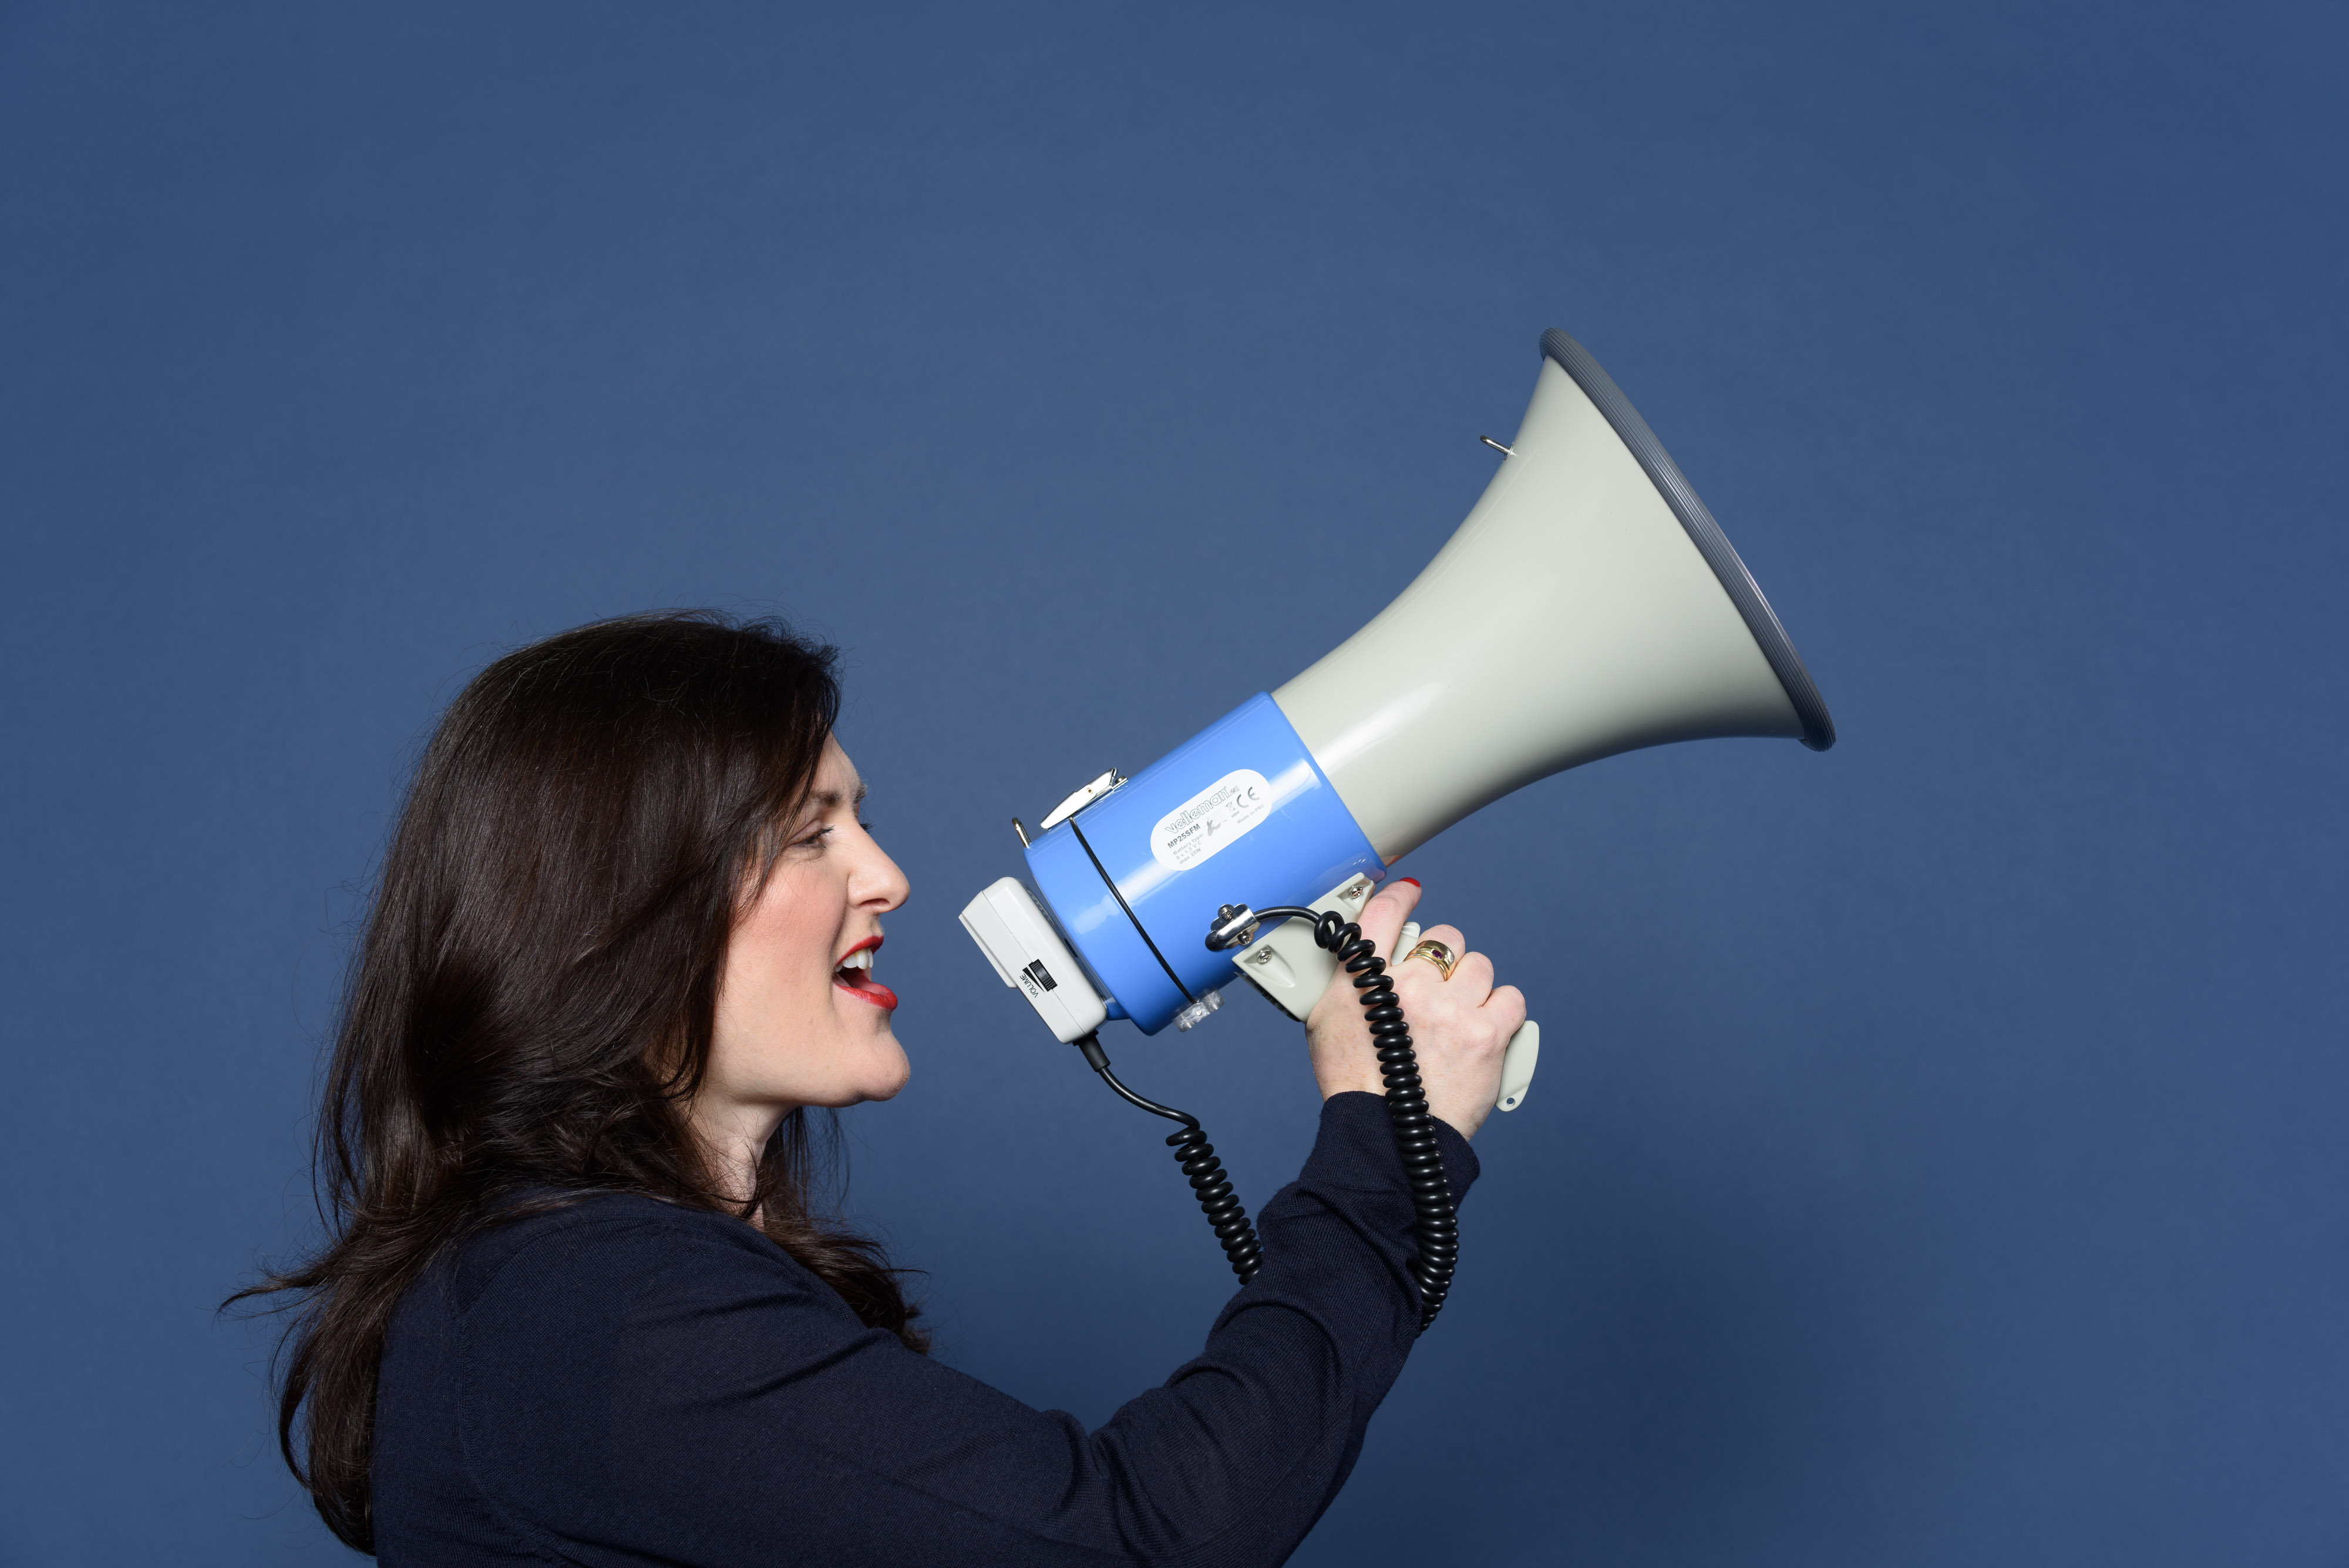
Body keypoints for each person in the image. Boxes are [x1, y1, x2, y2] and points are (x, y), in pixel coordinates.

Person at [241, 610, 1525, 1566]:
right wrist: (1381, 1133)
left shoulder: (587, 1296)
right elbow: (1139, 1545)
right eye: (810, 833)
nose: (887, 874)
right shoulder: (595, 1313)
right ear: (613, 917)